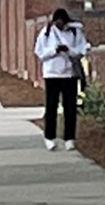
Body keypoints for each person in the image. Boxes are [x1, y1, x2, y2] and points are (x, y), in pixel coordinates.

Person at [34, 8, 88, 151]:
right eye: (57, 23)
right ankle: (49, 137)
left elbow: (81, 51)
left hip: (69, 74)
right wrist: (54, 51)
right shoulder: (46, 33)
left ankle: (69, 138)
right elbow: (40, 53)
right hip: (51, 75)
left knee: (70, 108)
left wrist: (68, 50)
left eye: (62, 23)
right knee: (51, 107)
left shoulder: (75, 32)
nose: (60, 26)